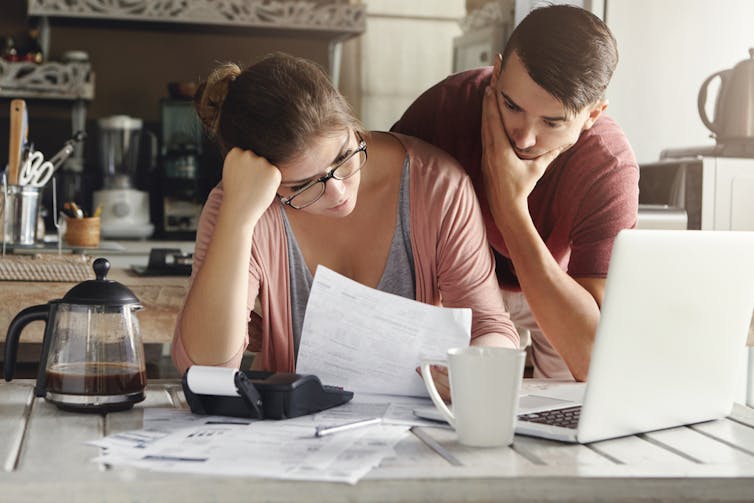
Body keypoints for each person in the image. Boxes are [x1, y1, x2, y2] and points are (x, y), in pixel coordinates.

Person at [171, 52, 519, 398]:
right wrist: (238, 219)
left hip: (415, 431)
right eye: (303, 185)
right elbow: (204, 370)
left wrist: (477, 366)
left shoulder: (437, 185)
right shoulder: (238, 206)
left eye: (344, 156)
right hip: (289, 437)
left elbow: (490, 327)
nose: (337, 191)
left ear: (353, 124)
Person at [391, 5, 639, 381]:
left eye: (551, 122)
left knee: (575, 401)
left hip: (555, 282)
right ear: (497, 71)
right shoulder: (445, 108)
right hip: (457, 280)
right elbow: (379, 215)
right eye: (511, 105)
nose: (523, 136)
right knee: (440, 393)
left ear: (593, 115)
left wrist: (509, 208)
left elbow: (591, 357)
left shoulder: (608, 166)